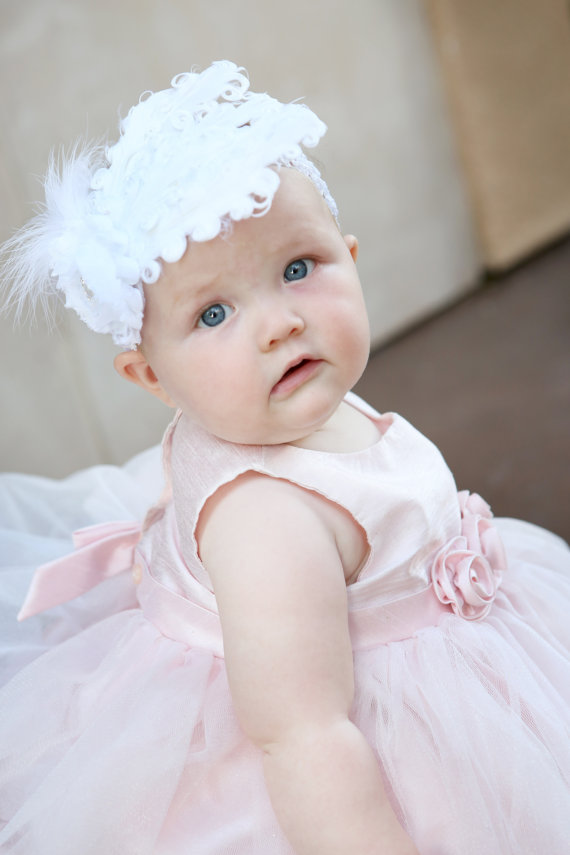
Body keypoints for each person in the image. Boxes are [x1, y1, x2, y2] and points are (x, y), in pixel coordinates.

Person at [0, 60, 569, 855]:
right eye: (214, 312)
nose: (277, 324)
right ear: (151, 376)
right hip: (335, 738)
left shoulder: (286, 407)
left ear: (352, 256)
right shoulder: (267, 522)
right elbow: (302, 733)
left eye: (299, 269)